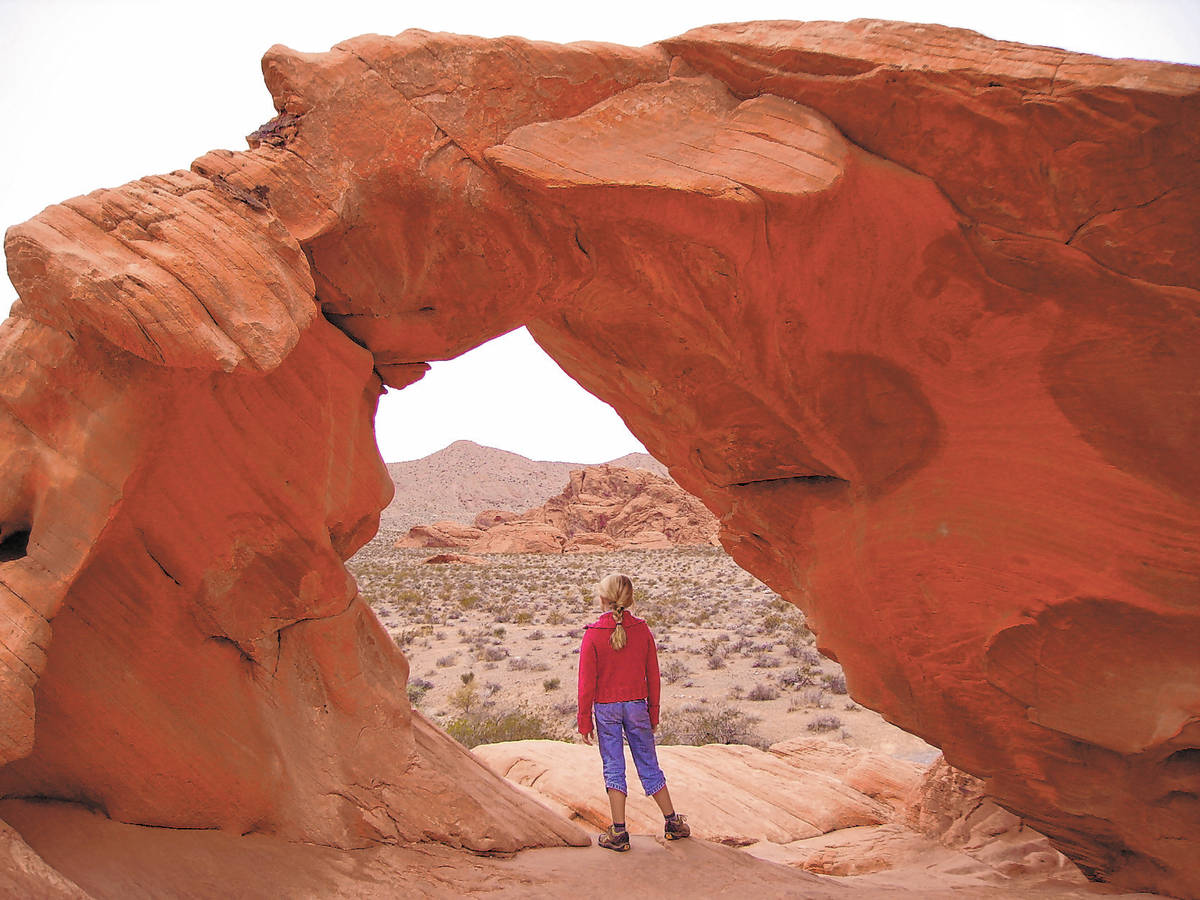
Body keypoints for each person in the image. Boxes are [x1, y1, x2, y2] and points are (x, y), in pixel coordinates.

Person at [577, 573, 690, 851]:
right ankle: (672, 822)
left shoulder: (593, 634)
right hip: (637, 704)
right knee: (648, 763)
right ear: (629, 598)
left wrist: (584, 721)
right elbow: (653, 675)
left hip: (606, 707)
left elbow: (585, 683)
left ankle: (619, 832)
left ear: (603, 598)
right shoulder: (642, 630)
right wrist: (653, 713)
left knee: (614, 765)